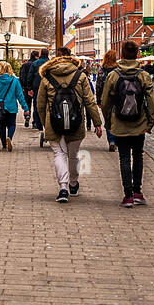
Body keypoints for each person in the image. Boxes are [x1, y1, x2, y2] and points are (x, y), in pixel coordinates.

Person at [36, 47, 102, 202]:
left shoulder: (47, 76)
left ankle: (63, 188)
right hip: (76, 120)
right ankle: (73, 184)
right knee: (73, 155)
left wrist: (44, 123)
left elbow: (40, 103)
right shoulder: (80, 76)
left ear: (55, 58)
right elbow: (90, 101)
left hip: (53, 121)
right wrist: (97, 123)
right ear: (70, 57)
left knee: (59, 154)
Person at [101, 39, 154, 208]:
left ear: (122, 55)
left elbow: (105, 102)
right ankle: (138, 192)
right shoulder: (143, 75)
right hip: (139, 123)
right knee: (138, 156)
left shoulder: (113, 75)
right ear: (137, 54)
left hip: (119, 123)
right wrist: (150, 122)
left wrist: (108, 122)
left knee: (124, 157)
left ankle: (128, 195)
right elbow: (151, 101)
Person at [0, 60, 29, 151]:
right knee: (12, 124)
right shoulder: (15, 80)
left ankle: (4, 144)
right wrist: (25, 108)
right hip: (11, 107)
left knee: (1, 126)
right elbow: (20, 95)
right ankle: (9, 137)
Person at [95, 47, 118, 151]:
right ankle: (117, 140)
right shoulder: (118, 70)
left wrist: (98, 100)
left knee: (108, 120)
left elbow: (98, 86)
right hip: (117, 98)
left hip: (105, 99)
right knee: (117, 120)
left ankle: (111, 141)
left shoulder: (102, 70)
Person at [31, 48, 49, 146]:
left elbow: (30, 76)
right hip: (49, 89)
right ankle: (48, 126)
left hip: (37, 88)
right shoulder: (50, 63)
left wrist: (29, 87)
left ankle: (39, 125)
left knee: (38, 107)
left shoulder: (35, 63)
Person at [18, 51, 39, 127]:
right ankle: (35, 122)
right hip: (36, 87)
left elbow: (22, 76)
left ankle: (27, 115)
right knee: (36, 105)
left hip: (26, 88)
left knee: (27, 103)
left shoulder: (25, 65)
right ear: (36, 56)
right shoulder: (37, 65)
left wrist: (23, 86)